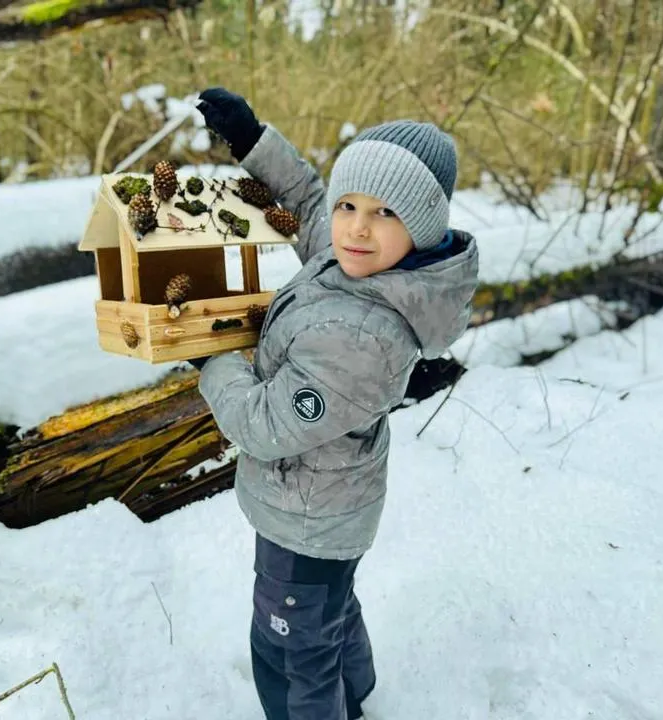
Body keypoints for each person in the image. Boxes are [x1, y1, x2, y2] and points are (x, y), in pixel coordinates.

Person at [191, 87, 480, 720]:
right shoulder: (356, 257)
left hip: (308, 520)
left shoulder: (364, 336)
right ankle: (363, 696)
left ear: (422, 227)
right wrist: (251, 140)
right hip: (324, 508)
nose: (355, 225)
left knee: (290, 650)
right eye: (350, 204)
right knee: (329, 609)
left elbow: (263, 425)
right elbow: (303, 200)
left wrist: (208, 360)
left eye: (384, 212)